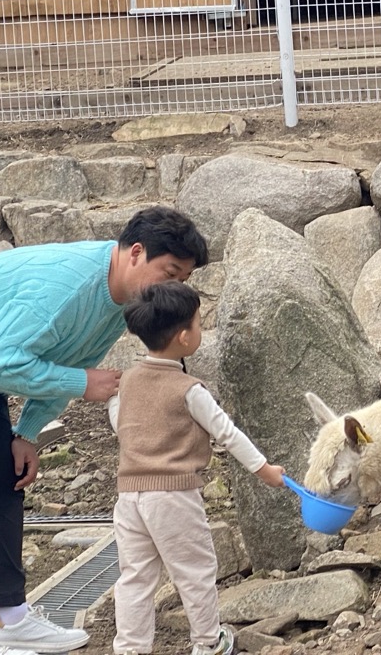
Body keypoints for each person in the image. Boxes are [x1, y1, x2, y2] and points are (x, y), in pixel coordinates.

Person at [0, 205, 209, 655]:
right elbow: (2, 363)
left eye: (183, 279)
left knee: (1, 479)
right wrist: (82, 385)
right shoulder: (67, 284)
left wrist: (26, 432)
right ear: (136, 253)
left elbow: (61, 359)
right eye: (170, 273)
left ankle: (11, 617)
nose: (175, 287)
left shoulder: (123, 301)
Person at [108, 280, 285, 655]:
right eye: (200, 323)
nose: (201, 330)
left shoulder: (126, 382)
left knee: (135, 576)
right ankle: (207, 642)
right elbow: (228, 434)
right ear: (185, 337)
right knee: (195, 571)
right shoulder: (188, 388)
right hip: (173, 493)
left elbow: (118, 420)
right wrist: (264, 469)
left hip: (128, 496)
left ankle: (129, 648)